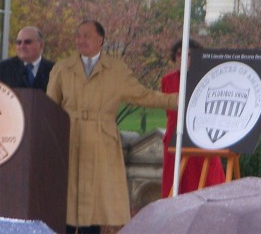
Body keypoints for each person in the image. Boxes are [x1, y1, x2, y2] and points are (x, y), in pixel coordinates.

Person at [46, 20, 177, 234]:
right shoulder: (61, 68)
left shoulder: (116, 70)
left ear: (101, 39)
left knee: (96, 207)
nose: (81, 40)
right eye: (78, 35)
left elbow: (144, 96)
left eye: (87, 35)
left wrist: (179, 100)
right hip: (69, 140)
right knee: (66, 203)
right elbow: (49, 109)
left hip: (102, 142)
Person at [161, 39, 226, 198]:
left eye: (189, 54)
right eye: (179, 54)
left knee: (204, 179)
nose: (183, 58)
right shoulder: (167, 80)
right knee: (175, 183)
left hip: (200, 136)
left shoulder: (208, 79)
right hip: (174, 137)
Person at [0, 26, 54, 91]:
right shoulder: (3, 68)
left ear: (41, 45)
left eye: (27, 42)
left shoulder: (53, 70)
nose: (22, 46)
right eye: (19, 42)